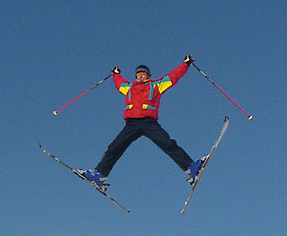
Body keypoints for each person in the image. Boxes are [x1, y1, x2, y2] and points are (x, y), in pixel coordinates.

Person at [79, 54, 204, 191]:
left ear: (148, 75)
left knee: (167, 143)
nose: (140, 76)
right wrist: (116, 74)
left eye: (143, 74)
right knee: (114, 147)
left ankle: (191, 168)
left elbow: (173, 76)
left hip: (149, 122)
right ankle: (99, 175)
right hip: (131, 124)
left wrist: (185, 64)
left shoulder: (156, 85)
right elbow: (119, 83)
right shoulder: (129, 88)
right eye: (138, 74)